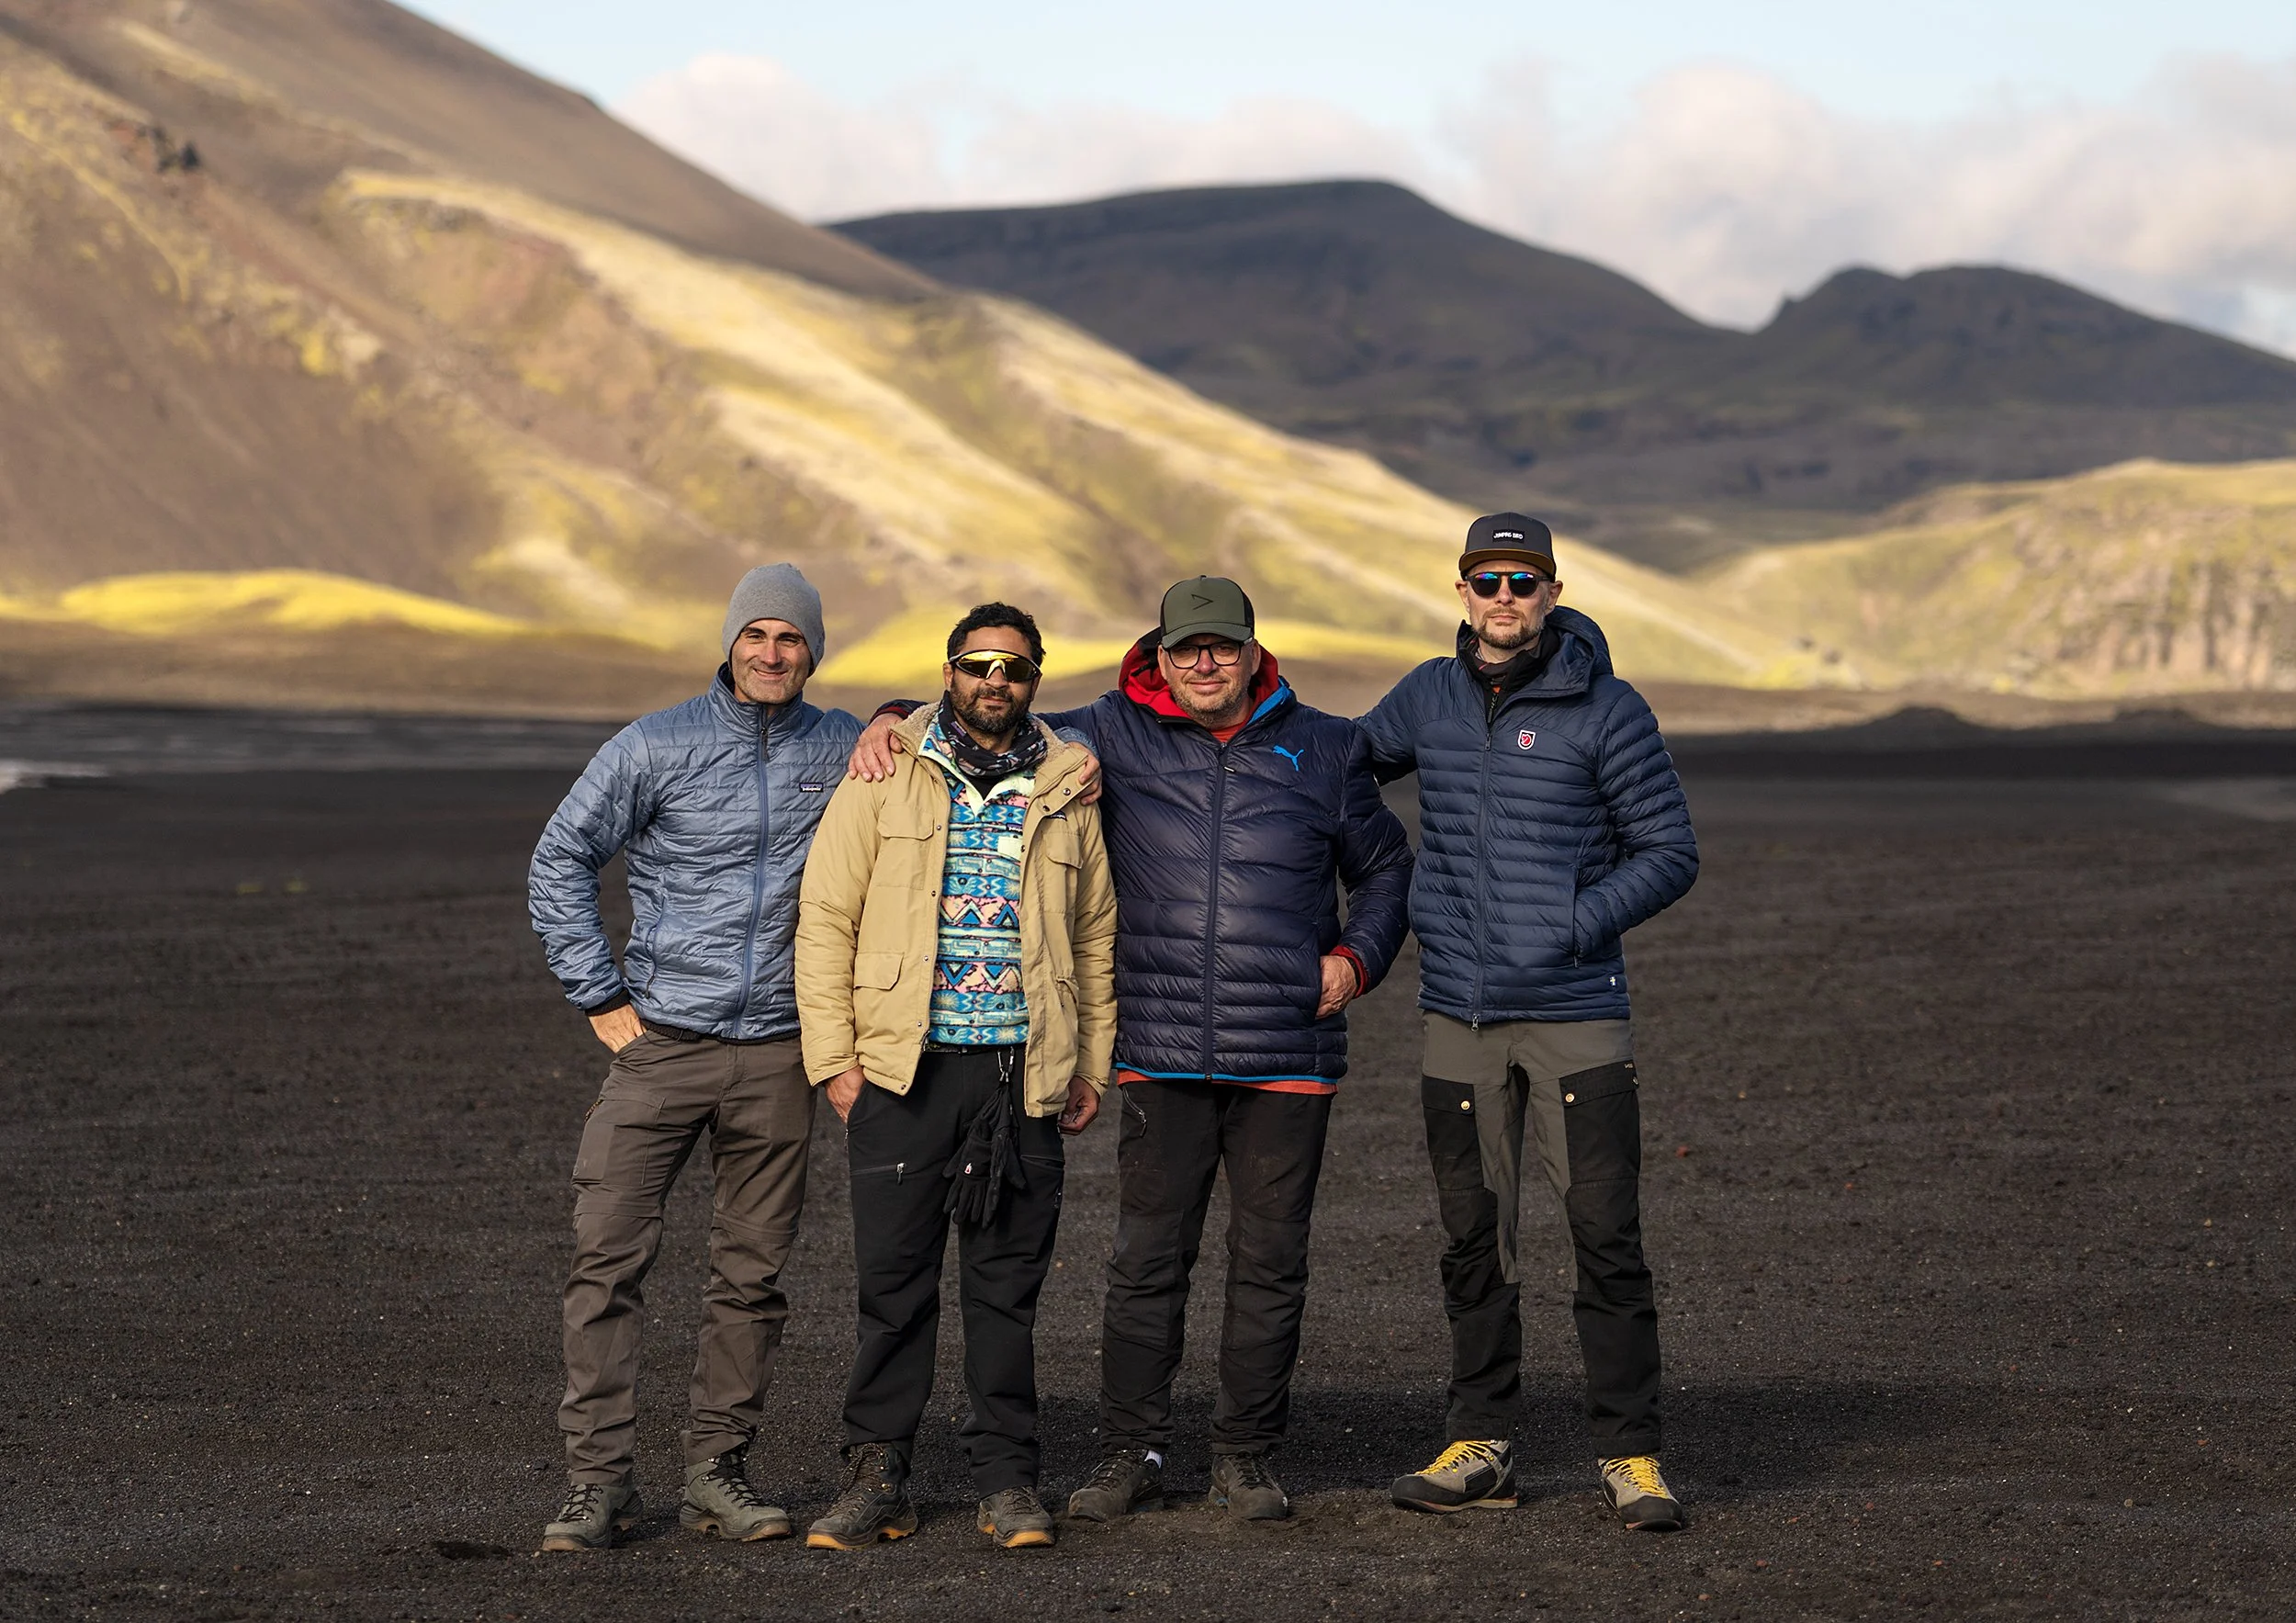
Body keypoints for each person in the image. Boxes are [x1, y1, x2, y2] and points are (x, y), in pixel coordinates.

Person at [847, 576, 1414, 1524]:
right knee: (1146, 1260)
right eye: (1184, 648)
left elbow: (1387, 867)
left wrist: (1357, 961)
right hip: (1159, 1045)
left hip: (1286, 1049)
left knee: (1271, 1261)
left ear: (1250, 651)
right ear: (1157, 653)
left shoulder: (1326, 746)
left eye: (1221, 648)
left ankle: (1244, 1457)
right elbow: (992, 712)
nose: (1203, 664)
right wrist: (891, 712)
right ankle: (1130, 1451)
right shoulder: (1103, 733)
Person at [1357, 513, 1698, 1532]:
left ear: (1551, 592)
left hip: (1575, 1017)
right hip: (1456, 1018)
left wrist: (1572, 924)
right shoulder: (1426, 694)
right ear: (1460, 592)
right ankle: (1482, 1444)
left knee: (1603, 1236)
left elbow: (1669, 850)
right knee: (1473, 1239)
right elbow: (1332, 764)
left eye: (1523, 580)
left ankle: (1630, 1455)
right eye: (1485, 579)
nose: (1503, 597)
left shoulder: (1607, 707)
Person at [527, 565, 860, 1552]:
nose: (771, 653)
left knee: (750, 1280)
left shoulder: (844, 748)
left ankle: (718, 1471)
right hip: (662, 1047)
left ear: (813, 651)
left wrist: (887, 723)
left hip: (779, 1056)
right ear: (729, 644)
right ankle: (598, 1484)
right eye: (755, 635)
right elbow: (560, 857)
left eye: (790, 639)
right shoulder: (656, 744)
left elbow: (960, 735)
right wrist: (599, 993)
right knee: (606, 1260)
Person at [794, 603, 1118, 1551]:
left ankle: (1007, 1482)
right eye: (978, 665)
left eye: (1013, 669)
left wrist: (1088, 1062)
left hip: (1021, 1076)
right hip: (903, 1073)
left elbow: (1096, 935)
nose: (994, 682)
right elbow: (825, 917)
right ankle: (877, 1476)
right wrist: (835, 1062)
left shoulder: (1067, 787)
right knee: (892, 1286)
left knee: (1005, 1289)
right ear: (947, 673)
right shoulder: (886, 771)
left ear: (1034, 681)